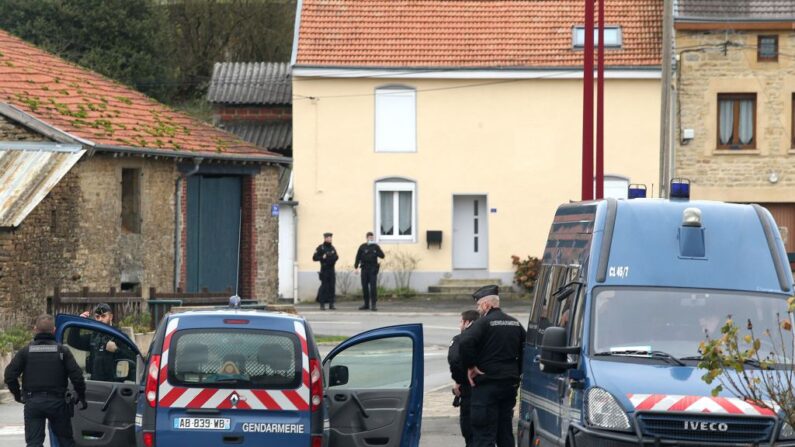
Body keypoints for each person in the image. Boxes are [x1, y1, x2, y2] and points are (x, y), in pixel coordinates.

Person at [4, 314, 86, 447]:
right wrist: (81, 396)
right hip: (58, 404)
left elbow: (9, 375)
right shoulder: (62, 351)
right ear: (54, 330)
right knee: (66, 442)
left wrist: (18, 395)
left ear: (35, 329)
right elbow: (77, 377)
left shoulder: (25, 352)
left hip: (33, 403)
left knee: (34, 443)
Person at [459, 285, 526, 447]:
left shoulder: (482, 324)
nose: (478, 309)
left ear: (486, 305)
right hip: (509, 384)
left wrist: (470, 366)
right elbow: (527, 349)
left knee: (483, 434)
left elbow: (465, 342)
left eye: (478, 305)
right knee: (505, 431)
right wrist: (517, 371)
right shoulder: (515, 323)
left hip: (487, 385)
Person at [448, 309, 480, 447]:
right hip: (488, 388)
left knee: (469, 430)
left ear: (468, 323)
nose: (459, 324)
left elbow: (454, 361)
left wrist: (459, 381)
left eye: (461, 321)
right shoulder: (487, 337)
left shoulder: (460, 339)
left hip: (468, 389)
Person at [66, 303, 120, 382]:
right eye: (97, 317)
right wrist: (77, 323)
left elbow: (131, 357)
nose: (100, 319)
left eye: (103, 316)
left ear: (111, 317)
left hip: (114, 384)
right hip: (96, 383)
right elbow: (73, 341)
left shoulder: (118, 335)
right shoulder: (93, 337)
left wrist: (116, 350)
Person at [354, 231, 385, 311]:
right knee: (364, 287)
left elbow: (382, 255)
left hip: (373, 269)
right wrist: (356, 267)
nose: (371, 239)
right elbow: (358, 257)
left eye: (372, 237)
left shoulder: (375, 246)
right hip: (364, 269)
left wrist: (376, 252)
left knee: (373, 287)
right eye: (370, 237)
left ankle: (373, 305)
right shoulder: (362, 246)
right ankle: (366, 304)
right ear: (367, 238)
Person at [313, 232, 339, 310]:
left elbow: (336, 257)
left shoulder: (332, 248)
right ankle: (322, 304)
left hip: (331, 270)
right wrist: (322, 257)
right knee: (324, 287)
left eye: (330, 238)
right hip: (324, 270)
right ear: (325, 238)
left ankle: (331, 304)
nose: (329, 239)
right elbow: (314, 258)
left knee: (332, 287)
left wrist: (332, 259)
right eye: (328, 238)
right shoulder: (321, 248)